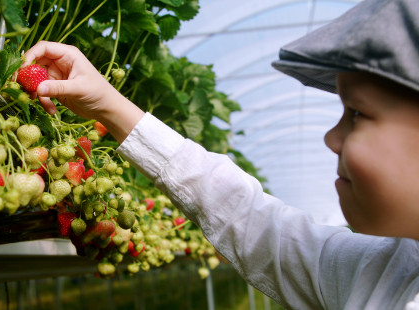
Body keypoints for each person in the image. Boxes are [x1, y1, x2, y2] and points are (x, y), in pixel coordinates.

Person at [21, 0, 419, 309]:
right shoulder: (389, 275)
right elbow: (263, 230)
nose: (332, 137)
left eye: (356, 113)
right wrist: (112, 106)